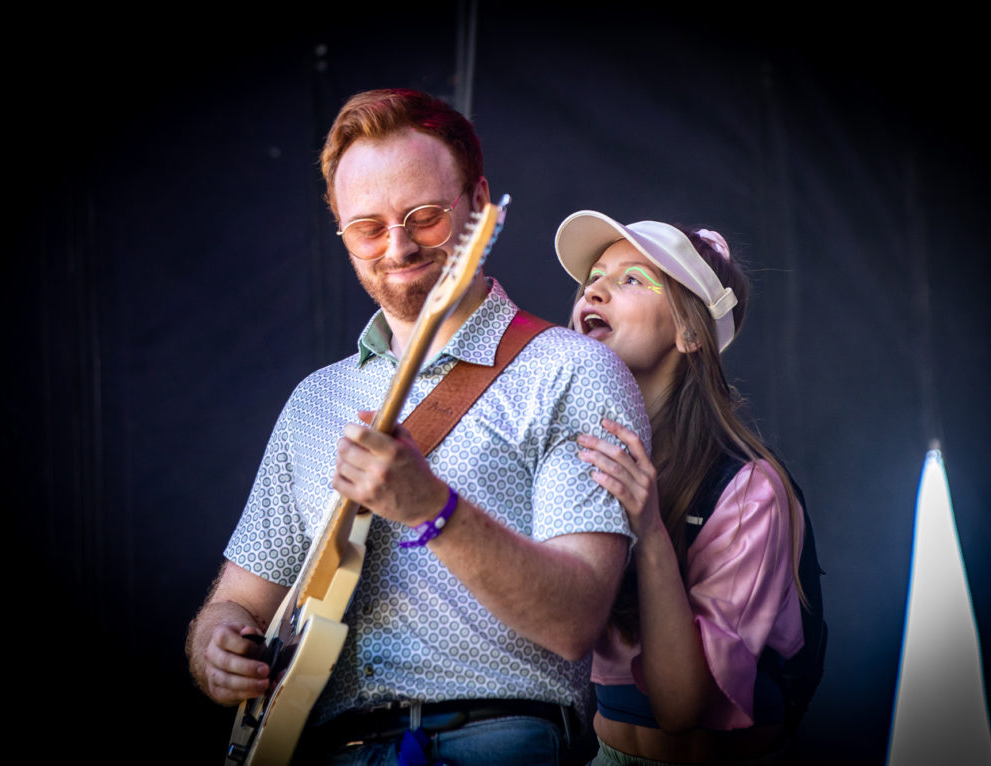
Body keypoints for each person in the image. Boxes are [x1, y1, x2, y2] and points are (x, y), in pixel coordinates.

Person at [185, 90, 649, 766]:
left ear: (478, 202)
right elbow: (236, 603)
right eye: (367, 228)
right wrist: (216, 644)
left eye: (424, 217)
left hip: (496, 739)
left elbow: (575, 620)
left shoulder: (573, 371)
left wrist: (434, 507)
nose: (397, 247)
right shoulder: (315, 401)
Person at [555, 211, 819, 764]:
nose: (595, 288)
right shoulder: (566, 462)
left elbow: (682, 710)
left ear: (691, 332)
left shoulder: (749, 488)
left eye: (632, 278)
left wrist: (649, 532)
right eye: (593, 277)